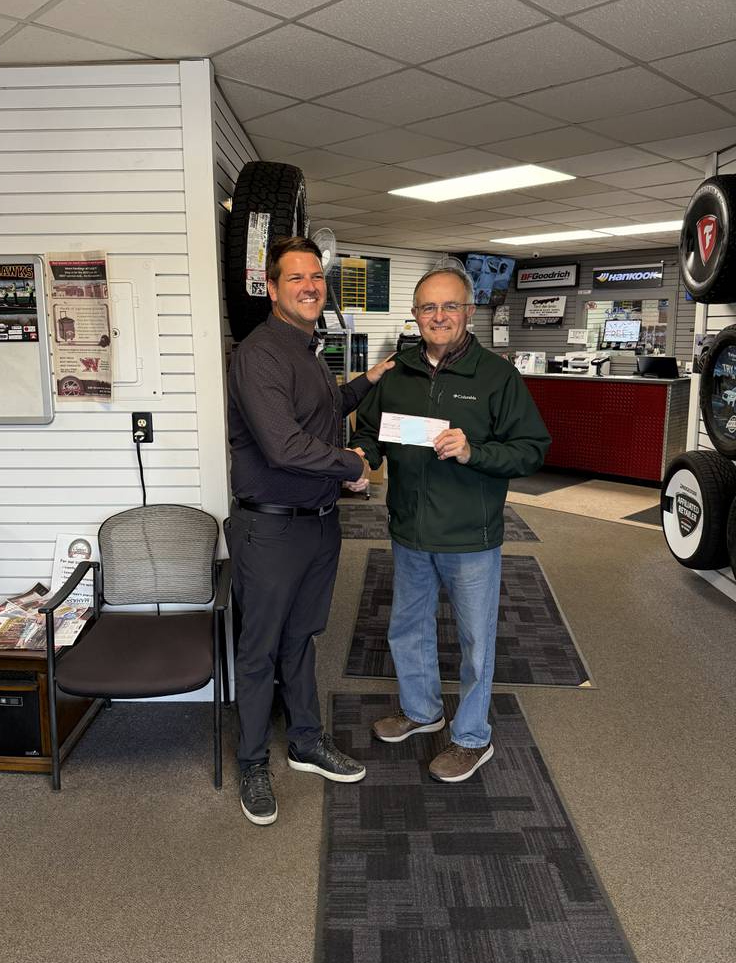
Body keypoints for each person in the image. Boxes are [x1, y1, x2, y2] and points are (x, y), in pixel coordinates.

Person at [351, 265, 550, 783]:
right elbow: (371, 429)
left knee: (476, 642)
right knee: (407, 630)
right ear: (416, 315)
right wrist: (361, 458)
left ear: (468, 311)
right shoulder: (398, 371)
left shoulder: (496, 376)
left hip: (469, 536)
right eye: (428, 308)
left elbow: (532, 449)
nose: (438, 317)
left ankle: (471, 737)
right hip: (410, 530)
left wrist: (474, 451)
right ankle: (422, 712)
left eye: (449, 307)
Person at [226, 235, 394, 826]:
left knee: (302, 639)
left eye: (316, 278)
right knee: (259, 652)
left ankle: (304, 741)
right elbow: (284, 444)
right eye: (296, 278)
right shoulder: (261, 352)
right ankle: (251, 762)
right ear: (271, 288)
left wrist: (372, 377)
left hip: (320, 525)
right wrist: (354, 465)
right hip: (270, 532)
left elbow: (325, 409)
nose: (309, 286)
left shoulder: (308, 347)